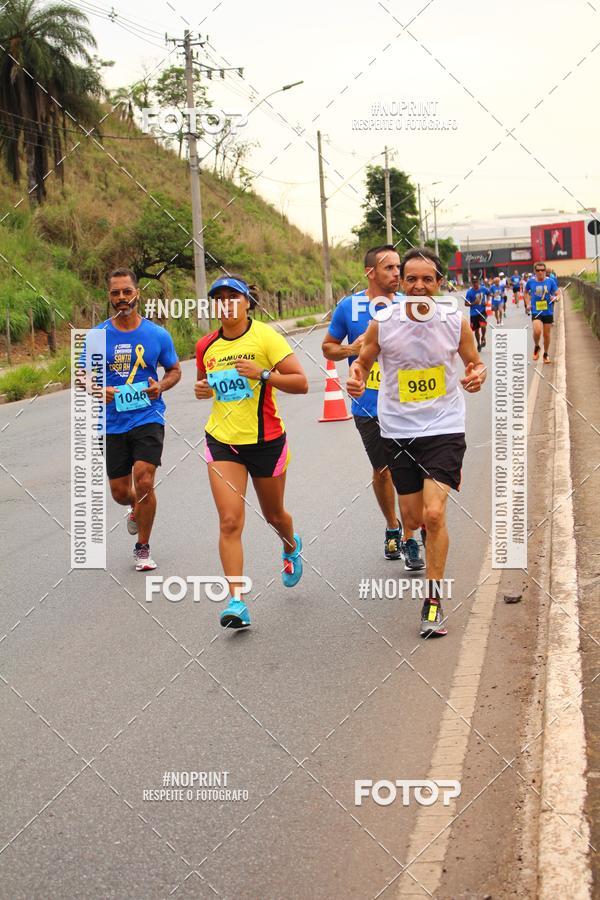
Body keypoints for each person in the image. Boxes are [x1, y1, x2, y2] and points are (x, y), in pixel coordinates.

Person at [347, 248, 487, 638]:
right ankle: (424, 534)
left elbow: (474, 362)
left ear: (439, 283)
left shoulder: (454, 321)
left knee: (434, 514)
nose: (419, 286)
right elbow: (363, 361)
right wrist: (357, 376)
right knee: (413, 519)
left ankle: (433, 601)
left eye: (427, 279)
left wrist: (477, 375)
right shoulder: (383, 322)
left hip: (444, 427)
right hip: (398, 429)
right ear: (401, 282)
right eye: (411, 279)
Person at [194, 276, 308, 629]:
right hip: (223, 440)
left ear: (247, 303)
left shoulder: (265, 337)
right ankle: (236, 601)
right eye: (219, 298)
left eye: (233, 296)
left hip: (265, 441)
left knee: (275, 516)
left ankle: (290, 545)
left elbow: (301, 383)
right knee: (230, 521)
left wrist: (263, 374)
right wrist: (202, 390)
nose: (226, 303)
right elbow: (206, 384)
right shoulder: (206, 345)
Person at [321, 245, 424, 570]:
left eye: (398, 267)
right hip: (367, 405)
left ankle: (410, 537)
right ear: (370, 272)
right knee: (383, 471)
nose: (396, 274)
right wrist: (350, 348)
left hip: (405, 404)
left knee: (407, 469)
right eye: (389, 268)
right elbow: (328, 346)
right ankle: (392, 525)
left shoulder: (409, 305)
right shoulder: (348, 307)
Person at [79, 267, 181, 570]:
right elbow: (81, 374)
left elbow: (174, 370)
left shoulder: (157, 334)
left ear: (137, 293)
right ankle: (135, 506)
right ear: (109, 297)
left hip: (148, 416)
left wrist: (160, 386)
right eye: (115, 293)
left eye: (127, 291)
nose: (122, 297)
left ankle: (143, 548)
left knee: (145, 479)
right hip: (111, 422)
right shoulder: (97, 336)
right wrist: (98, 390)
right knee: (121, 492)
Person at [525, 262, 560, 363]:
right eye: (538, 270)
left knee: (546, 335)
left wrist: (556, 298)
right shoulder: (530, 282)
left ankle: (546, 354)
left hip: (548, 311)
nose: (540, 272)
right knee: (537, 331)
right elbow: (526, 292)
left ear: (545, 271)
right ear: (535, 271)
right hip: (536, 311)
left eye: (542, 270)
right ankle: (537, 346)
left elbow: (558, 293)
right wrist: (527, 304)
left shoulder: (550, 281)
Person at [464, 275, 489, 351]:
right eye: (474, 282)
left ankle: (483, 337)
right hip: (474, 313)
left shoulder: (483, 289)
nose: (475, 284)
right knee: (476, 330)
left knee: (483, 325)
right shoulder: (469, 292)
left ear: (479, 282)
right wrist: (473, 303)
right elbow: (466, 303)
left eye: (476, 282)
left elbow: (489, 294)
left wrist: (487, 301)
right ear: (472, 283)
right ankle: (478, 344)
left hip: (482, 311)